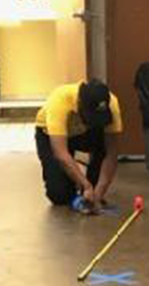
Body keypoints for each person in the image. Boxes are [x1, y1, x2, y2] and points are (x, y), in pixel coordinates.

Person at [34, 80, 122, 213]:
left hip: (85, 133)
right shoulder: (59, 101)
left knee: (102, 144)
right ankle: (75, 187)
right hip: (50, 135)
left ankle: (91, 188)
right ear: (79, 104)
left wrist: (99, 191)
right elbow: (60, 153)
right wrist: (86, 185)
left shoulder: (112, 104)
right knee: (59, 195)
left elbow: (111, 154)